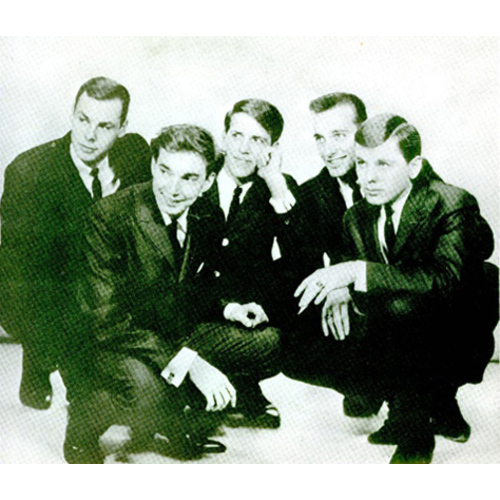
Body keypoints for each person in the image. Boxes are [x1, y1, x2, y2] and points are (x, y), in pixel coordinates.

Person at [65, 124, 282, 463]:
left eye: (189, 178)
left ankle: (173, 410)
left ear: (208, 181)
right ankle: (85, 420)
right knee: (147, 396)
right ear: (154, 165)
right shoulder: (109, 216)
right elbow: (106, 320)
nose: (172, 188)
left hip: (170, 332)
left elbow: (197, 285)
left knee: (267, 343)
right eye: (165, 171)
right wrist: (190, 363)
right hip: (114, 343)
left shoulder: (207, 214)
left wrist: (229, 309)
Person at [295, 113, 496, 464]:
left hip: (453, 327)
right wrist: (343, 287)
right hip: (397, 329)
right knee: (314, 331)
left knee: (404, 307)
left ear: (414, 167)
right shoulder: (356, 217)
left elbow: (444, 281)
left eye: (384, 164)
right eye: (361, 163)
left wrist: (357, 271)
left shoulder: (450, 203)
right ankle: (402, 406)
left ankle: (421, 425)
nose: (368, 177)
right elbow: (359, 278)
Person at [0, 77, 151, 410]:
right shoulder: (28, 173)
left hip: (108, 287)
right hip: (55, 289)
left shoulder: (136, 154)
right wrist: (39, 337)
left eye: (104, 126)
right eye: (83, 119)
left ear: (123, 128)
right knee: (86, 395)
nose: (89, 135)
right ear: (72, 114)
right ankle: (38, 361)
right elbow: (14, 274)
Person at [278, 92, 382, 417]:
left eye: (339, 135)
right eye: (320, 138)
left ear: (364, 133)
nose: (328, 150)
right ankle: (365, 382)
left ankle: (431, 395)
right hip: (355, 309)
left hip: (402, 296)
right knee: (290, 342)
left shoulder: (395, 172)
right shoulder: (313, 192)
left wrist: (349, 284)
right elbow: (300, 264)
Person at [201, 98, 297, 428]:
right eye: (237, 136)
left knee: (274, 341)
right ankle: (210, 390)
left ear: (273, 148)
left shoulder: (277, 187)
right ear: (223, 137)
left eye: (257, 140)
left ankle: (242, 383)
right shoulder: (197, 175)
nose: (243, 149)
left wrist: (275, 183)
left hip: (244, 310)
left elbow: (302, 258)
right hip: (191, 304)